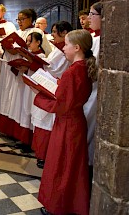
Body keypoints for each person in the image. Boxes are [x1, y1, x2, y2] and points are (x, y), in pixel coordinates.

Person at [34, 29, 97, 215]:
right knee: (73, 167)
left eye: (67, 45)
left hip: (67, 124)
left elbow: (61, 105)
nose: (63, 49)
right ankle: (71, 204)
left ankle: (57, 207)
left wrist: (38, 94)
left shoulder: (72, 72)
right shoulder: (83, 67)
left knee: (60, 165)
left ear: (77, 48)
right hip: (76, 121)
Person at [0, 8, 52, 142]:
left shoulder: (37, 32)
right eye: (18, 19)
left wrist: (24, 51)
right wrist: (8, 49)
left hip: (27, 72)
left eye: (22, 19)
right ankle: (11, 130)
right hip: (14, 70)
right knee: (12, 101)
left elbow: (46, 52)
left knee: (23, 103)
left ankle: (24, 134)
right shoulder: (16, 32)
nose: (19, 22)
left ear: (31, 19)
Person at [31, 21, 73, 168]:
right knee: (41, 119)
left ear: (64, 32)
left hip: (54, 87)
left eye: (55, 32)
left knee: (47, 121)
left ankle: (46, 154)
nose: (52, 34)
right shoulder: (58, 48)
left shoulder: (65, 50)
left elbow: (55, 69)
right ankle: (40, 152)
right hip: (48, 84)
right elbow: (50, 63)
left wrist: (39, 62)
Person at [84, 1, 102, 188]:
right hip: (89, 90)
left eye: (92, 14)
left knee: (90, 130)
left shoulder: (101, 40)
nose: (89, 18)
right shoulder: (93, 38)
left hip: (94, 92)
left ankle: (88, 167)